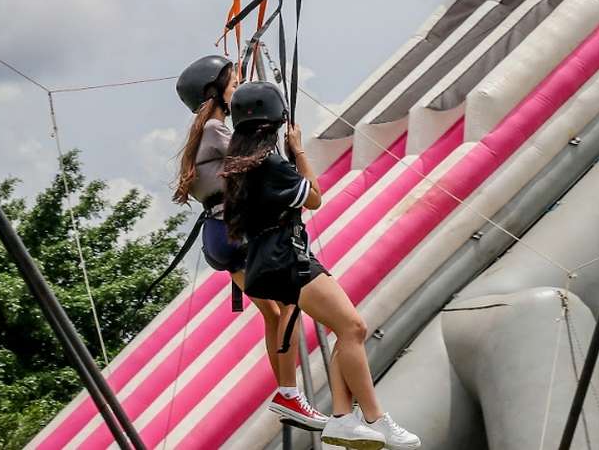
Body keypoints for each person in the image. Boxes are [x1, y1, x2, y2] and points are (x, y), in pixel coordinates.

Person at [221, 81, 421, 450]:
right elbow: (314, 197)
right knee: (353, 327)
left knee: (344, 331)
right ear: (276, 117)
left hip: (270, 260)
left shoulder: (239, 166)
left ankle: (344, 419)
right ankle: (375, 417)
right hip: (289, 258)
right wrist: (298, 152)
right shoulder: (272, 163)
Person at [172, 55, 326, 431]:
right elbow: (257, 159)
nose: (238, 92)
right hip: (235, 231)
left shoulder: (201, 135)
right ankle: (290, 394)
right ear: (215, 92)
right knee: (289, 304)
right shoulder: (217, 132)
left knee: (273, 314)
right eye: (233, 85)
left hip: (217, 236)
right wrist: (290, 152)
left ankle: (287, 392)